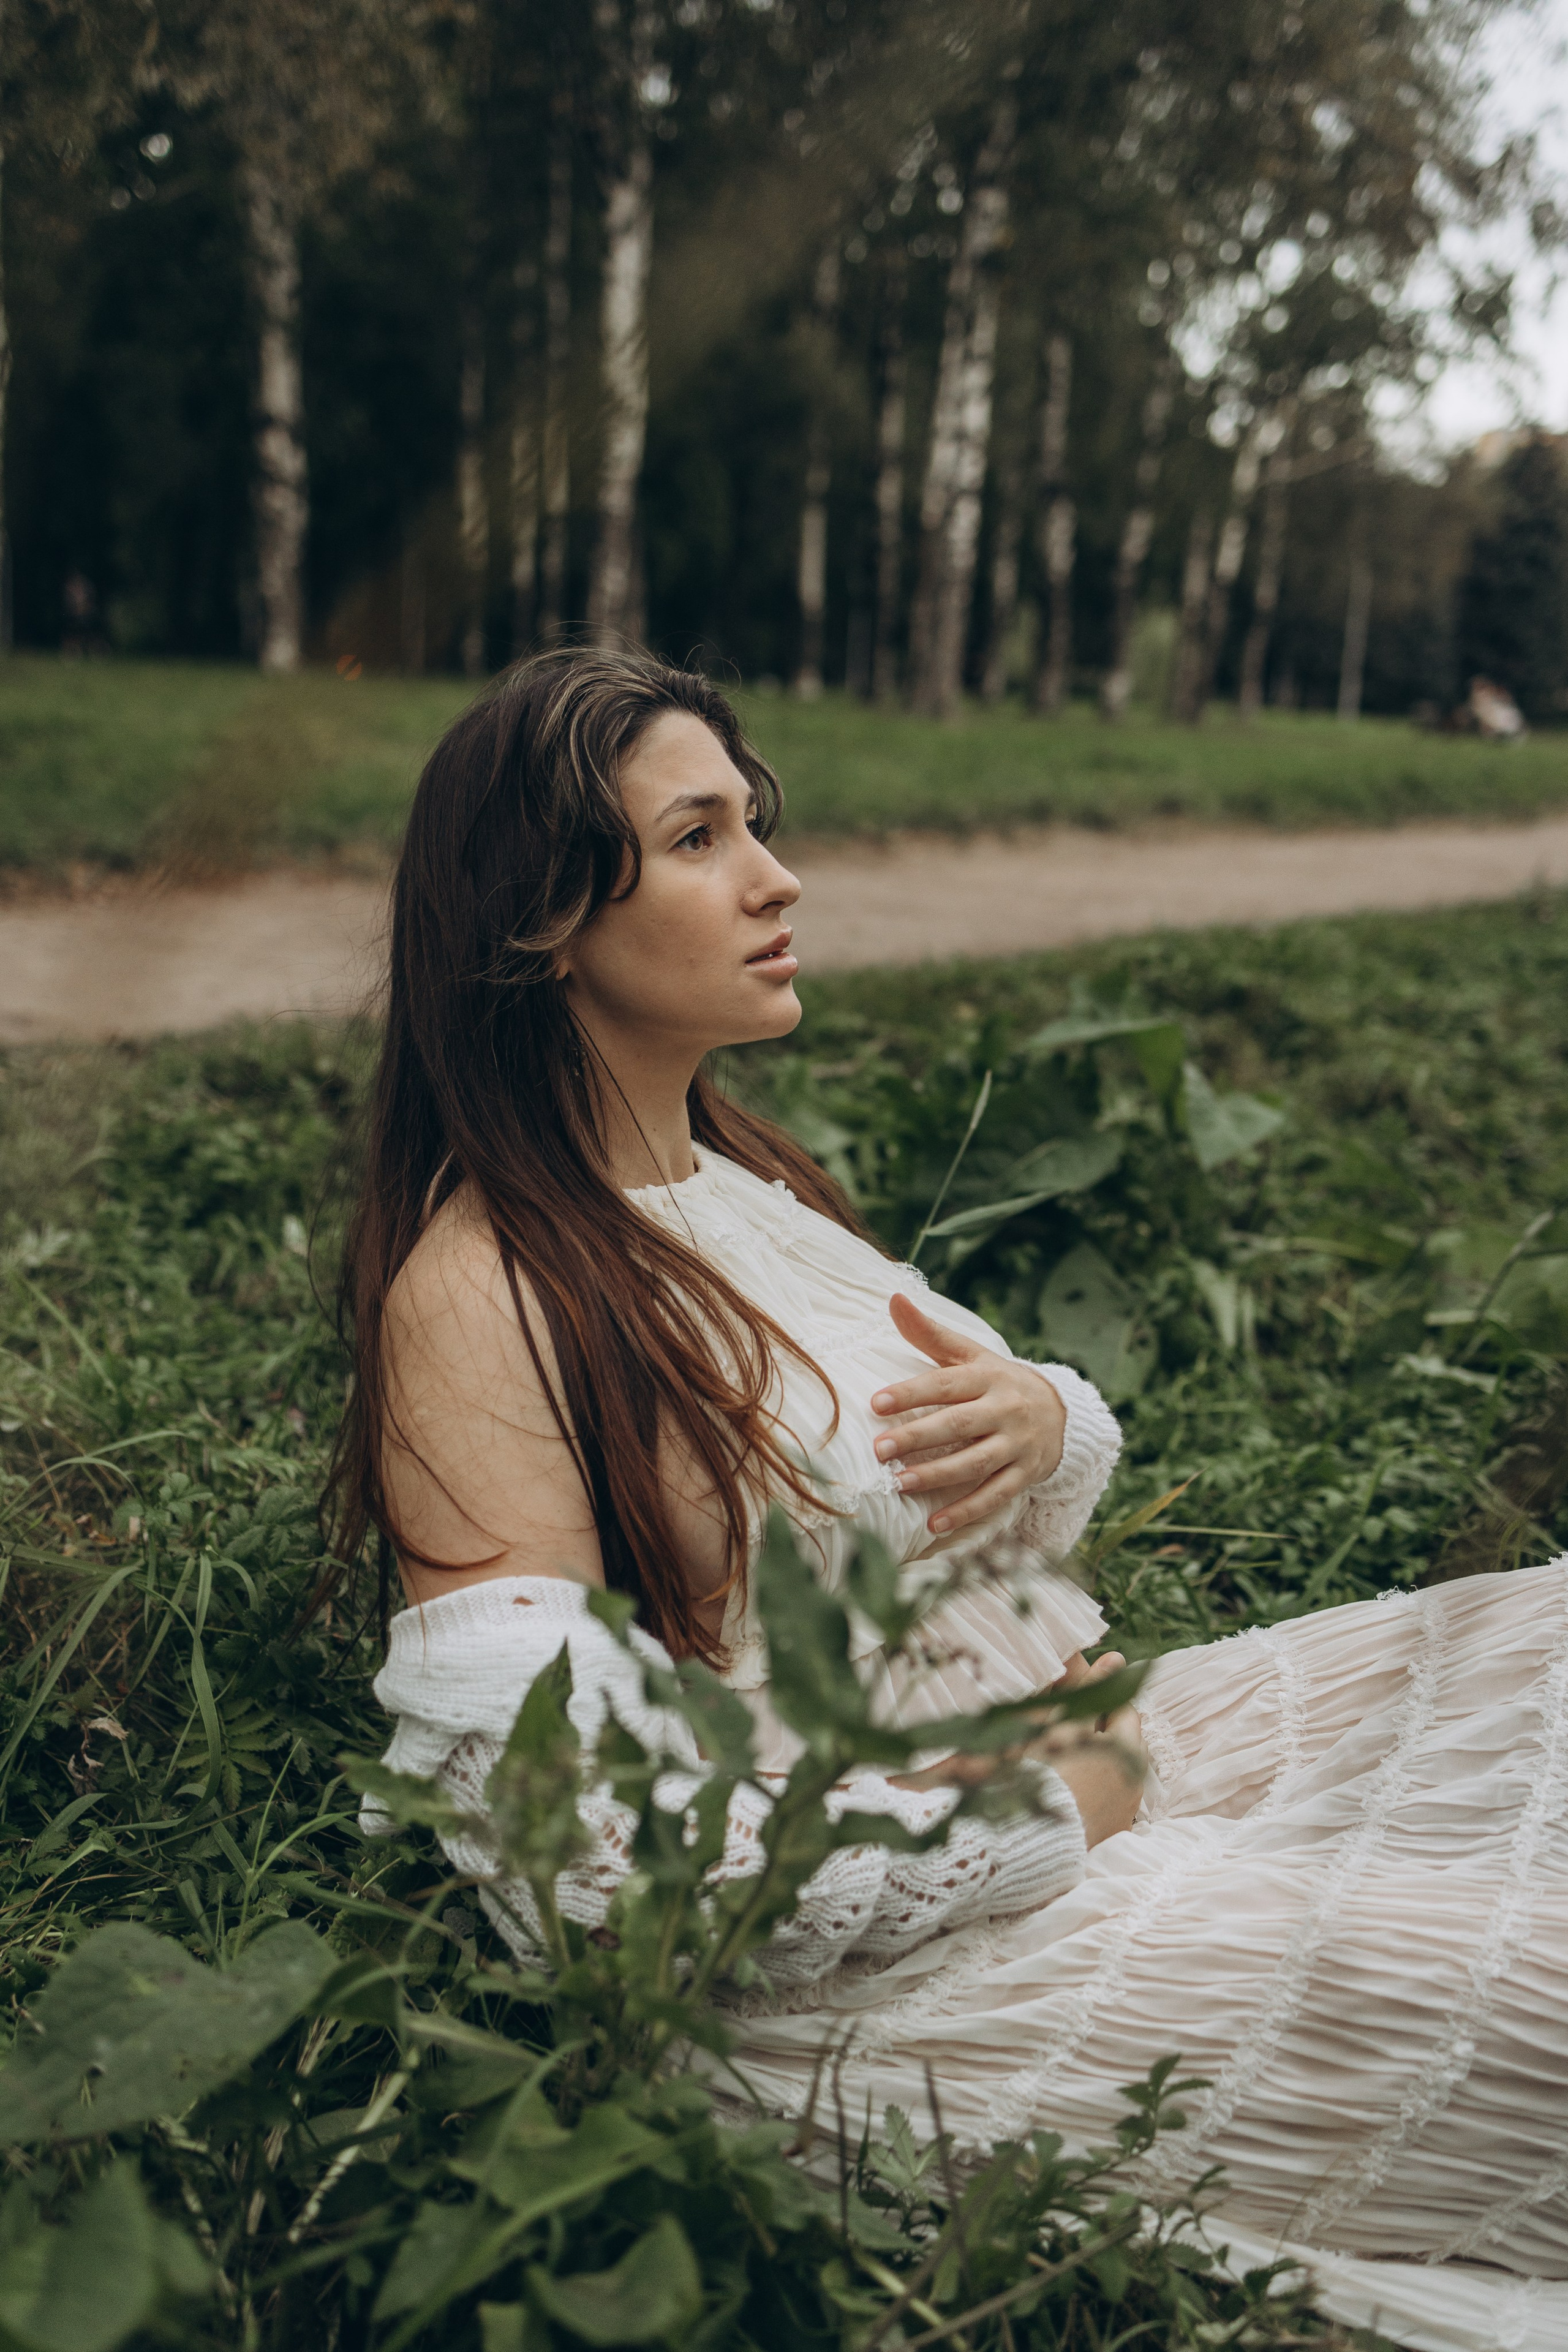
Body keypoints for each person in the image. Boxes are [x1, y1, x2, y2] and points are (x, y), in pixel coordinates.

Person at [326, 649, 1567, 2352]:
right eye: (700, 838)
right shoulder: (484, 1296)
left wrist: (1049, 1426)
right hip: (903, 1946)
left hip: (1101, 1755)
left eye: (756, 821)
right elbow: (581, 1872)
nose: (779, 877)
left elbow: (919, 1482)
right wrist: (1048, 1801)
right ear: (542, 919)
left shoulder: (739, 1180)